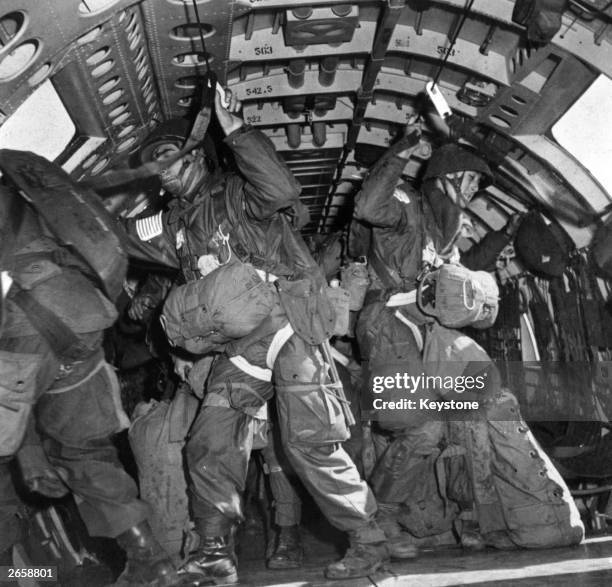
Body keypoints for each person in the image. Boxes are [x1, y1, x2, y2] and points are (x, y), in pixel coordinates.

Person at [123, 88, 390, 583]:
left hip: (287, 325)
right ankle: (213, 556)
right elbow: (124, 236)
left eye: (169, 159)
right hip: (240, 348)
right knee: (209, 441)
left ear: (197, 157)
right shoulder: (174, 224)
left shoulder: (238, 192)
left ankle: (368, 541)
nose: (161, 170)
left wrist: (234, 127)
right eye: (153, 165)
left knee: (309, 444)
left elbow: (283, 190)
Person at [353, 132, 584, 553]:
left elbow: (464, 270)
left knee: (474, 409)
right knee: (421, 427)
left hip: (430, 333)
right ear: (448, 177)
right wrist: (402, 151)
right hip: (387, 327)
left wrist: (505, 235)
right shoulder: (405, 203)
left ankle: (475, 519)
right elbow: (368, 205)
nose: (476, 192)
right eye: (472, 182)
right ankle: (375, 521)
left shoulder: (442, 229)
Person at [0, 150, 176, 587]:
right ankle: (150, 561)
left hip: (30, 317)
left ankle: (15, 574)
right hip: (82, 314)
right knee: (82, 452)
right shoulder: (22, 194)